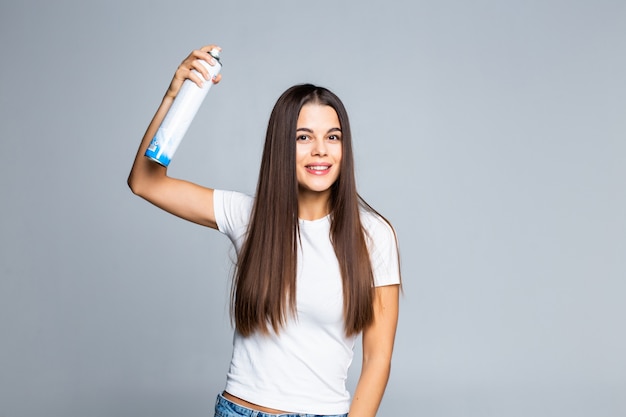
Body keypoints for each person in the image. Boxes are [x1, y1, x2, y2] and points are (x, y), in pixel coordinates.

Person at [128, 44, 401, 417]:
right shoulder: (248, 215)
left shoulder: (374, 235)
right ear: (281, 146)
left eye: (332, 137)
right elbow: (145, 182)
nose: (320, 150)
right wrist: (176, 95)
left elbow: (378, 360)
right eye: (303, 137)